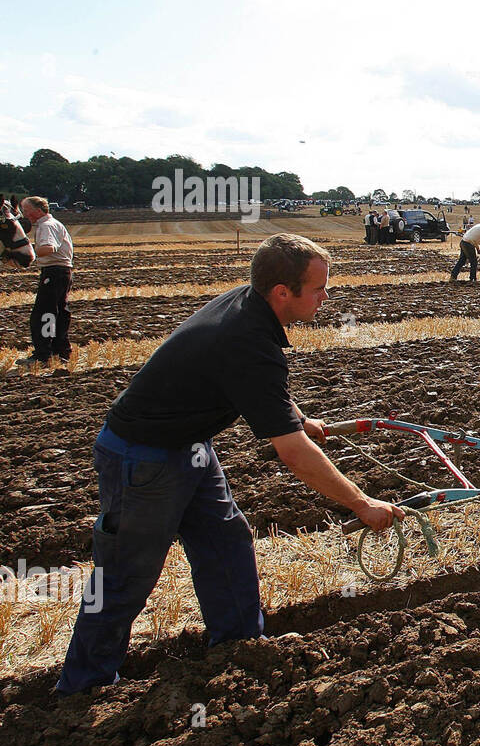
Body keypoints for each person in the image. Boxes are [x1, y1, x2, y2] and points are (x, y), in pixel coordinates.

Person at [55, 234, 404, 695]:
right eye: (319, 288)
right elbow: (293, 454)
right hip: (142, 457)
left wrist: (297, 416)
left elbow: (256, 390)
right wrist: (361, 504)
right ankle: (83, 686)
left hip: (188, 446)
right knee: (125, 575)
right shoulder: (249, 340)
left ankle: (240, 642)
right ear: (283, 292)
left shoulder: (250, 306)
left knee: (225, 540)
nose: (326, 297)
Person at [13, 196, 74, 367]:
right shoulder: (52, 224)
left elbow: (48, 248)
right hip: (62, 272)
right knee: (59, 312)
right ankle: (61, 351)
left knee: (43, 314)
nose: (24, 214)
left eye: (26, 210)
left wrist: (27, 252)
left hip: (54, 272)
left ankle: (42, 355)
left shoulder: (47, 226)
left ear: (38, 210)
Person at [452, 215, 480, 282]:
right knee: (474, 262)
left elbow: (474, 240)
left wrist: (478, 249)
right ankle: (472, 279)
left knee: (462, 261)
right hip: (468, 244)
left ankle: (453, 276)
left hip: (463, 242)